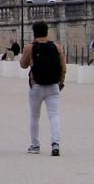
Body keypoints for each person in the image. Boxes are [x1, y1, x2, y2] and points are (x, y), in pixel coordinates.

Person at [20, 20, 64, 156]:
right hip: (53, 85)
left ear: (34, 33)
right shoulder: (57, 47)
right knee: (54, 115)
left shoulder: (30, 47)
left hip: (36, 85)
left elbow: (23, 65)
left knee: (34, 116)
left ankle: (35, 145)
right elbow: (63, 67)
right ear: (47, 32)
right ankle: (55, 143)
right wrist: (61, 82)